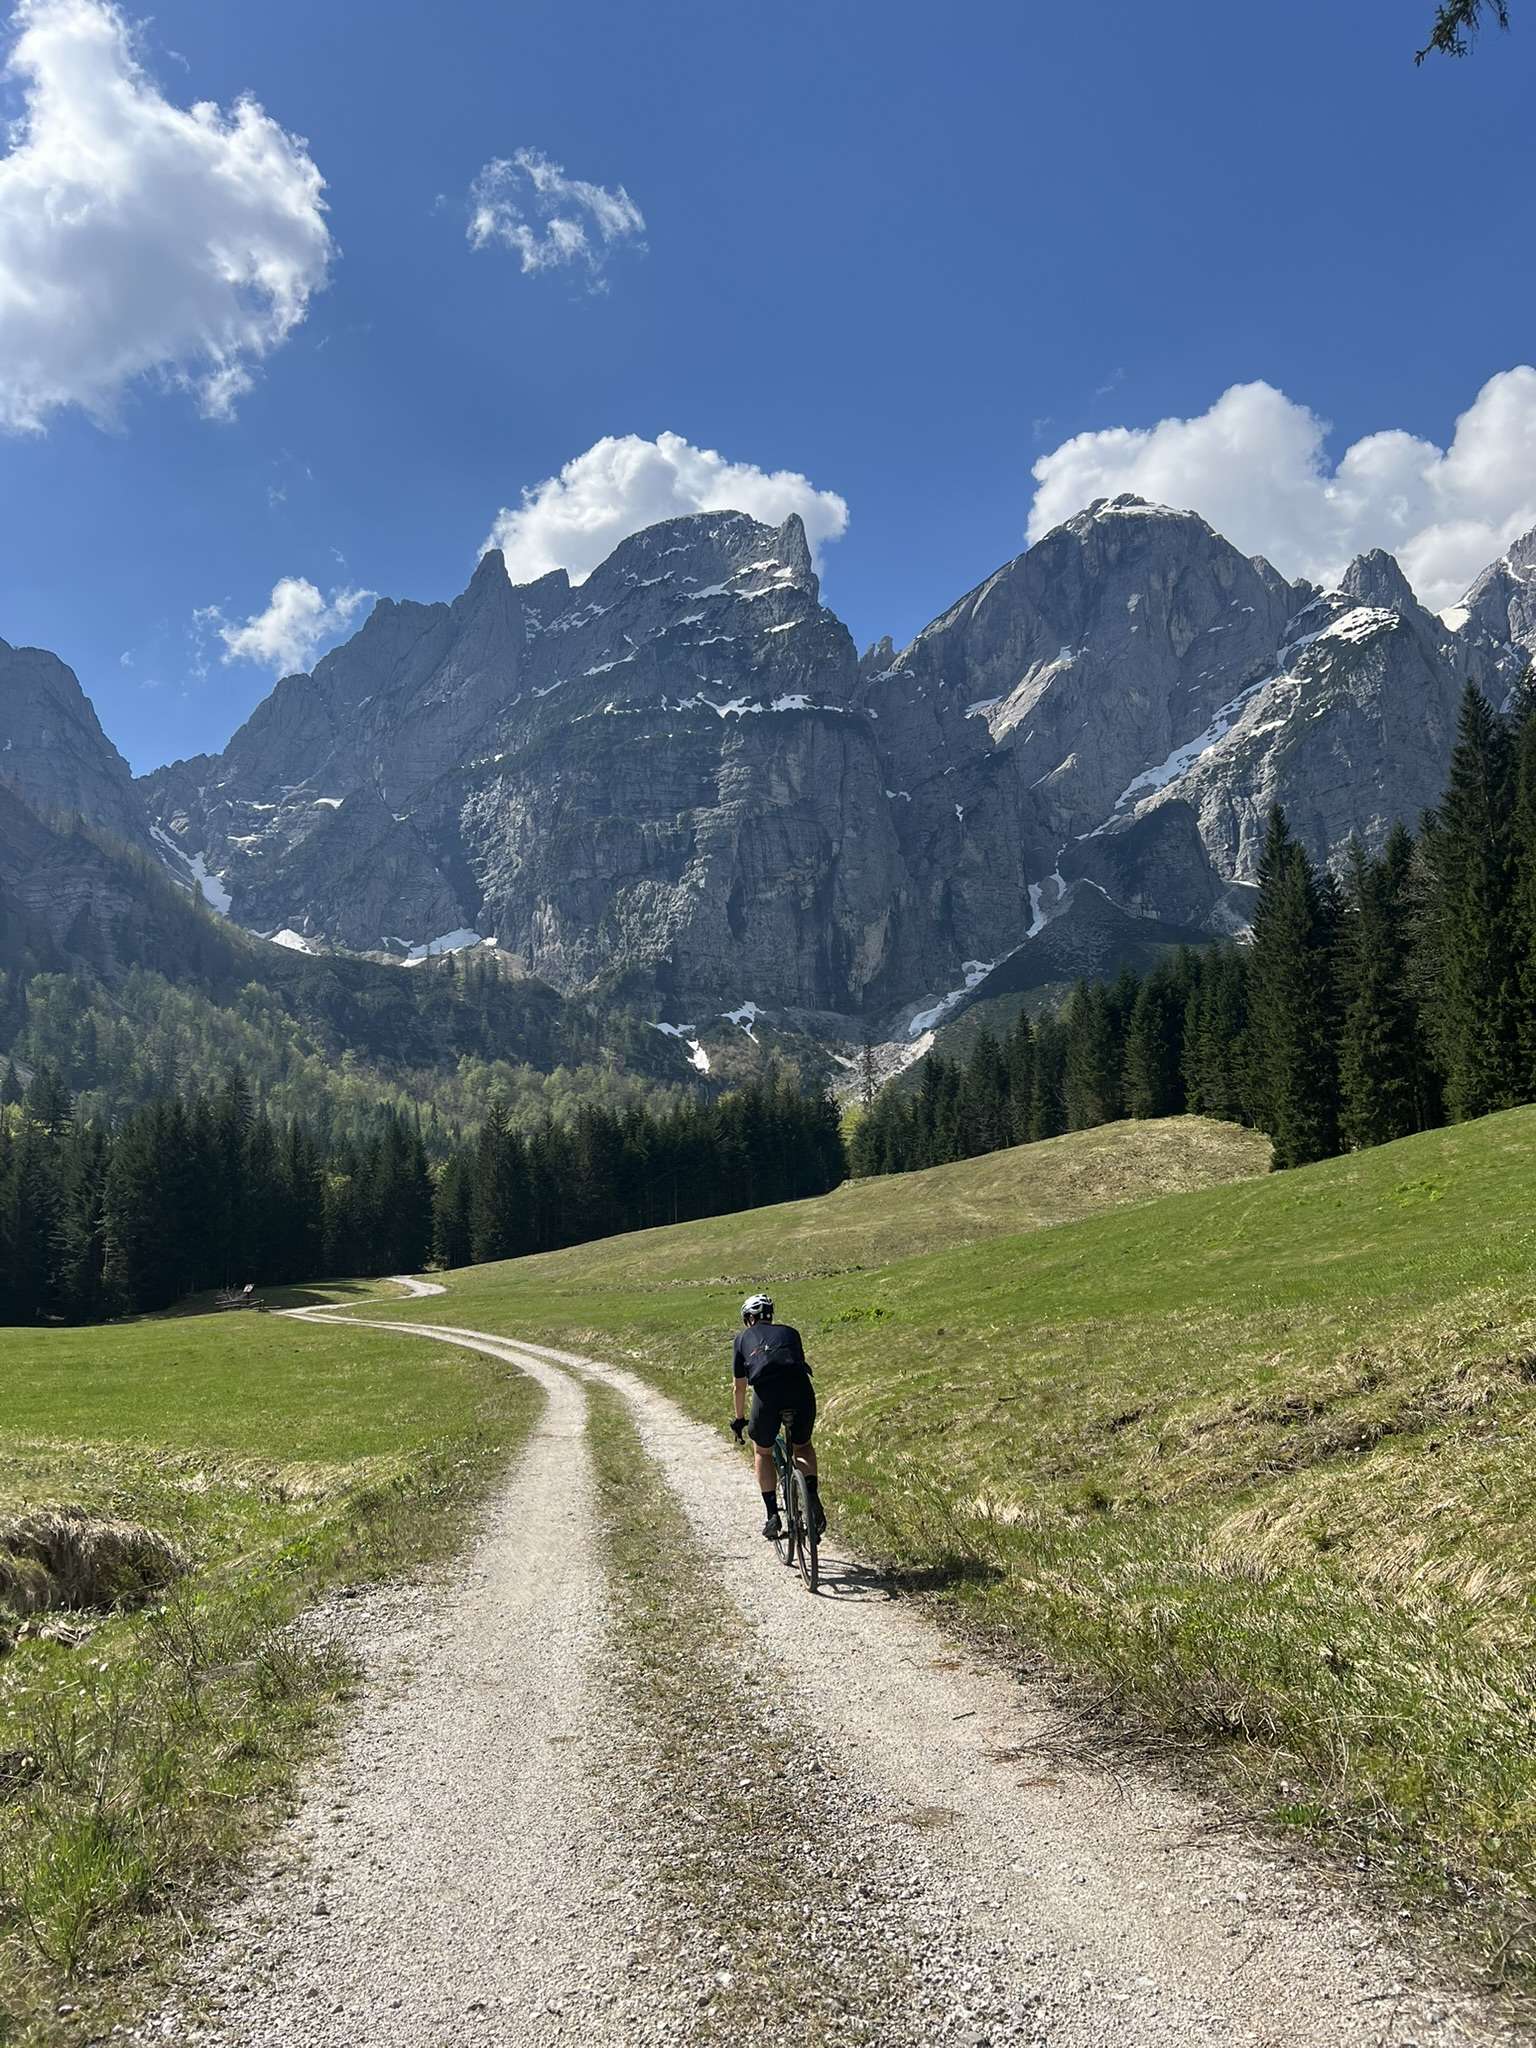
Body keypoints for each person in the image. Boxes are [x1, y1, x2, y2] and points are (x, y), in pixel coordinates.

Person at [729, 1292, 826, 1540]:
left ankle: (773, 1514)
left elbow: (739, 1386)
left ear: (749, 1318)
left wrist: (739, 1419)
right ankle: (812, 1496)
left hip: (768, 1397)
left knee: (762, 1451)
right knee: (802, 1446)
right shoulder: (791, 1332)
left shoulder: (741, 1340)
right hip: (801, 1391)